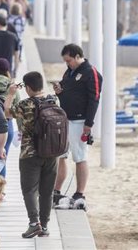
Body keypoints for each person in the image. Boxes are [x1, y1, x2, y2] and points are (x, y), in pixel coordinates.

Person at [5, 71, 57, 238]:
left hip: (30, 153)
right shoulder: (53, 101)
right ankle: (45, 226)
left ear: (27, 87)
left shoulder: (25, 104)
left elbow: (6, 112)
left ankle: (34, 224)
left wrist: (11, 94)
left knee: (29, 190)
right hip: (51, 152)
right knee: (47, 191)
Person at [52, 43, 102, 210]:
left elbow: (94, 99)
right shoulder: (70, 71)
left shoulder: (91, 72)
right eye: (65, 61)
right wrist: (60, 90)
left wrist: (89, 124)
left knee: (80, 156)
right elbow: (68, 88)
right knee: (62, 155)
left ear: (78, 56)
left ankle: (80, 192)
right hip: (66, 118)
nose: (67, 63)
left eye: (69, 60)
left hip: (80, 121)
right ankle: (56, 190)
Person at [0, 58, 18, 178]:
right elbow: (18, 108)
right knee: (3, 158)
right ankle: (0, 192)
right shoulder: (12, 86)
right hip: (8, 125)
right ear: (8, 70)